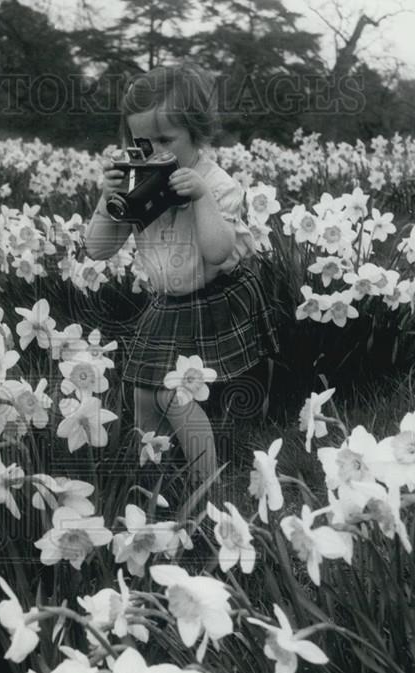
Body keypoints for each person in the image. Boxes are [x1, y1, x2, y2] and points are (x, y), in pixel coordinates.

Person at [84, 62, 279, 491]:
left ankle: (206, 486)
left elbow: (218, 252)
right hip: (168, 301)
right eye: (141, 143)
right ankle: (152, 473)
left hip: (213, 297)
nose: (153, 152)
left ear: (197, 133)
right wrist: (107, 199)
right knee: (142, 391)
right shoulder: (139, 180)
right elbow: (98, 249)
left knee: (176, 394)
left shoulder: (217, 184)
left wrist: (201, 198)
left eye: (165, 141)